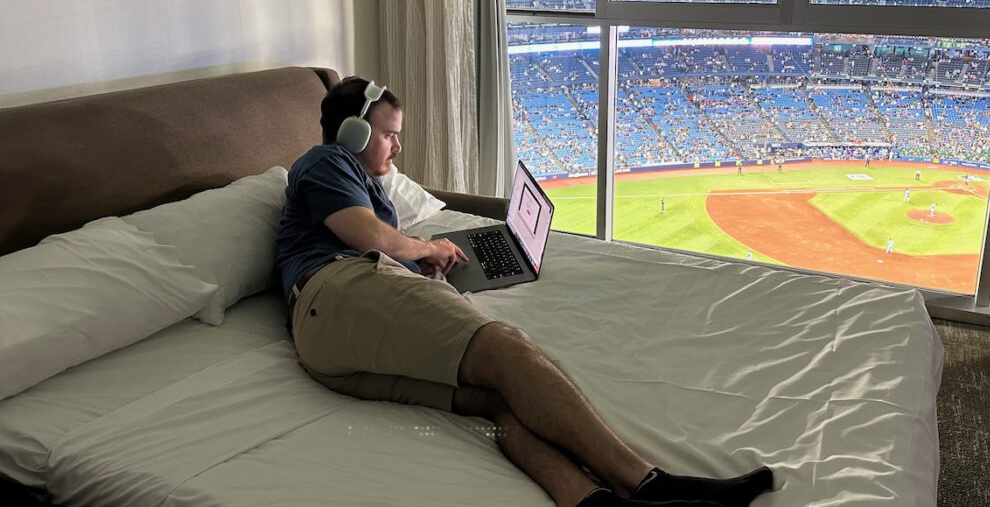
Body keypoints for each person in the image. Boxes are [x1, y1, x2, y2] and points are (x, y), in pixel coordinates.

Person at [276, 77, 773, 507]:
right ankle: (646, 483)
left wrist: (427, 267)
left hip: (332, 341)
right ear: (353, 132)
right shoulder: (326, 160)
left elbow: (381, 247)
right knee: (508, 348)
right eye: (389, 135)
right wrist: (424, 248)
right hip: (336, 294)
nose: (396, 148)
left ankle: (587, 499)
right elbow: (368, 238)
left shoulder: (362, 180)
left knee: (498, 399)